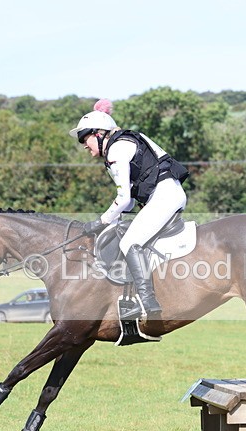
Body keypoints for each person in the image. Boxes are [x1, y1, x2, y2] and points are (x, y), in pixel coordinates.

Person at [70, 99, 189, 321]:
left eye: (84, 138)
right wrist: (113, 222)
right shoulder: (123, 143)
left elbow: (124, 199)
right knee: (126, 234)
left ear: (98, 133)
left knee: (128, 243)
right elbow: (130, 202)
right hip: (167, 194)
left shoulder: (116, 150)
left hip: (164, 197)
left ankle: (147, 302)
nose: (84, 145)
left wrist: (101, 221)